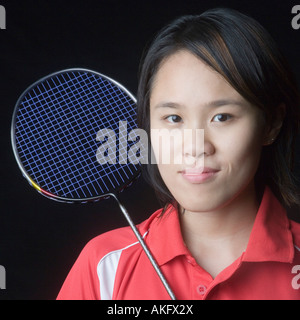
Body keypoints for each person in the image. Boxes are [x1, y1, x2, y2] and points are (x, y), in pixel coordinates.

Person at [57, 8, 300, 300]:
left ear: (271, 124)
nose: (195, 146)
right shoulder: (104, 268)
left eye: (222, 117)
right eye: (173, 118)